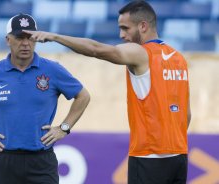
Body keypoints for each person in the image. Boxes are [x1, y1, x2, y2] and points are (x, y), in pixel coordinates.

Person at [24, 1, 191, 183]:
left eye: (125, 28)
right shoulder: (178, 59)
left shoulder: (141, 53)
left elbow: (97, 50)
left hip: (148, 156)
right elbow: (186, 114)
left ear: (143, 26)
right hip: (179, 156)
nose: (121, 35)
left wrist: (55, 37)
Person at [0, 13, 90, 184]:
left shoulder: (52, 70)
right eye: (19, 37)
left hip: (42, 160)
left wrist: (64, 128)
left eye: (30, 37)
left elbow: (83, 96)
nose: (26, 43)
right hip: (5, 160)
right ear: (8, 40)